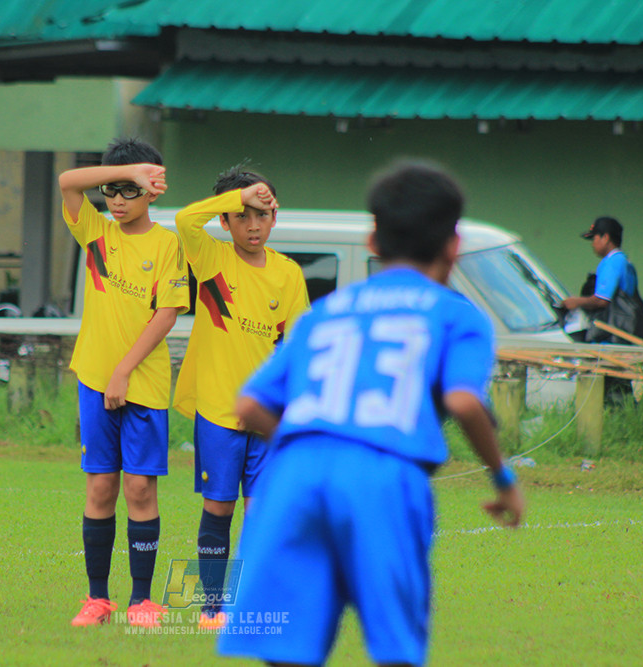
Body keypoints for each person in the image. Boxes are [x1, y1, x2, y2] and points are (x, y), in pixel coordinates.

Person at [217, 160, 525, 666]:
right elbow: (465, 401)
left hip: (292, 473)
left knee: (287, 653)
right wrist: (503, 478)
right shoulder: (455, 315)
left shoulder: (326, 312)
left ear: (372, 241)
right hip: (382, 473)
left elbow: (249, 405)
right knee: (396, 650)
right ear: (453, 247)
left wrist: (313, 441)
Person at [58, 138, 190, 628]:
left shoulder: (168, 243)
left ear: (151, 193)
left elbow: (169, 311)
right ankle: (97, 600)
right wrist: (126, 169)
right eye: (110, 190)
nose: (116, 200)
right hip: (94, 378)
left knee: (139, 489)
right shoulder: (95, 233)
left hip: (143, 384)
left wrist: (125, 369)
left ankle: (142, 601)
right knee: (100, 488)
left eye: (128, 191)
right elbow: (67, 183)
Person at [172, 165, 309, 629]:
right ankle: (212, 606)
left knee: (264, 510)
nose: (253, 225)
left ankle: (253, 601)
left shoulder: (289, 274)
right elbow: (186, 219)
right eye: (242, 214)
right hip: (218, 412)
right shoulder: (211, 260)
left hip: (268, 418)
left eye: (262, 214)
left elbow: (296, 348)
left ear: (275, 219)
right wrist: (235, 195)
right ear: (227, 221)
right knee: (219, 508)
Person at [561, 216, 638, 328]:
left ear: (605, 238)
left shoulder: (612, 261)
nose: (593, 243)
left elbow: (602, 300)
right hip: (625, 326)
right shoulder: (624, 260)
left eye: (594, 238)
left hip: (613, 332)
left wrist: (576, 302)